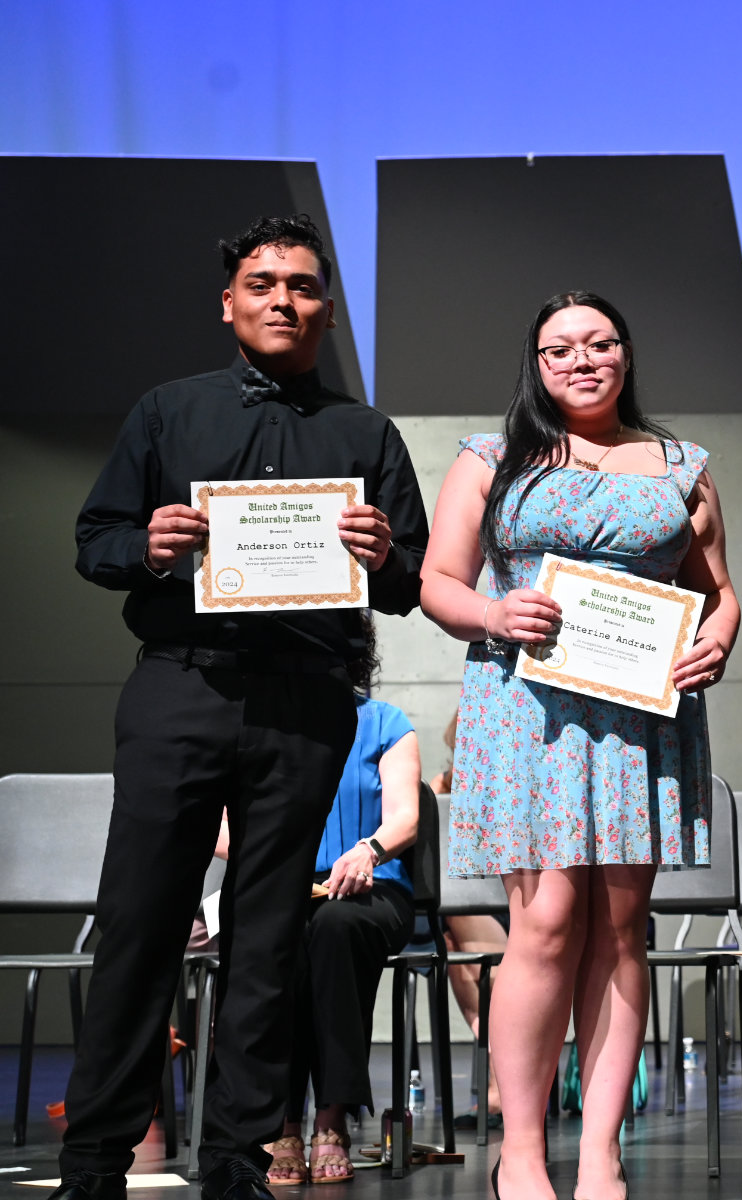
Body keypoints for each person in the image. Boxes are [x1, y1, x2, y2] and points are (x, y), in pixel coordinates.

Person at [62, 215, 428, 1200]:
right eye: (262, 283)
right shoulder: (166, 412)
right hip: (181, 686)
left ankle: (236, 1165)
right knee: (141, 926)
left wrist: (378, 552)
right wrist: (150, 542)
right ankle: (94, 1164)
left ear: (325, 306)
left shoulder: (366, 434)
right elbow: (94, 542)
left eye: (302, 286)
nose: (283, 300)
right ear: (229, 303)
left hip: (305, 706)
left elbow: (407, 582)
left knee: (270, 939)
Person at [420, 291, 736, 1200]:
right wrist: (492, 609)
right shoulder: (490, 457)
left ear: (626, 355)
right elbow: (441, 580)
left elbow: (713, 590)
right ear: (537, 363)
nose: (581, 359)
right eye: (560, 348)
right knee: (547, 923)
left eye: (600, 343)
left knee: (622, 929)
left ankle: (600, 1153)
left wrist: (718, 638)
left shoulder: (681, 465)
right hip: (527, 709)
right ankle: (519, 1150)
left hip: (640, 713)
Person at [261, 630, 420, 1185]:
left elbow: (405, 817)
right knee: (278, 934)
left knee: (333, 927)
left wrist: (366, 851)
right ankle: (279, 1121)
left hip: (374, 888)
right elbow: (223, 825)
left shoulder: (385, 723)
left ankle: (330, 1118)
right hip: (283, 885)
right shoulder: (261, 720)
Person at [427, 713, 508, 1129]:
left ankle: (504, 1085)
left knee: (461, 929)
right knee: (454, 935)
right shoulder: (439, 790)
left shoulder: (511, 785)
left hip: (513, 904)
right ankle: (504, 1081)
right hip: (452, 909)